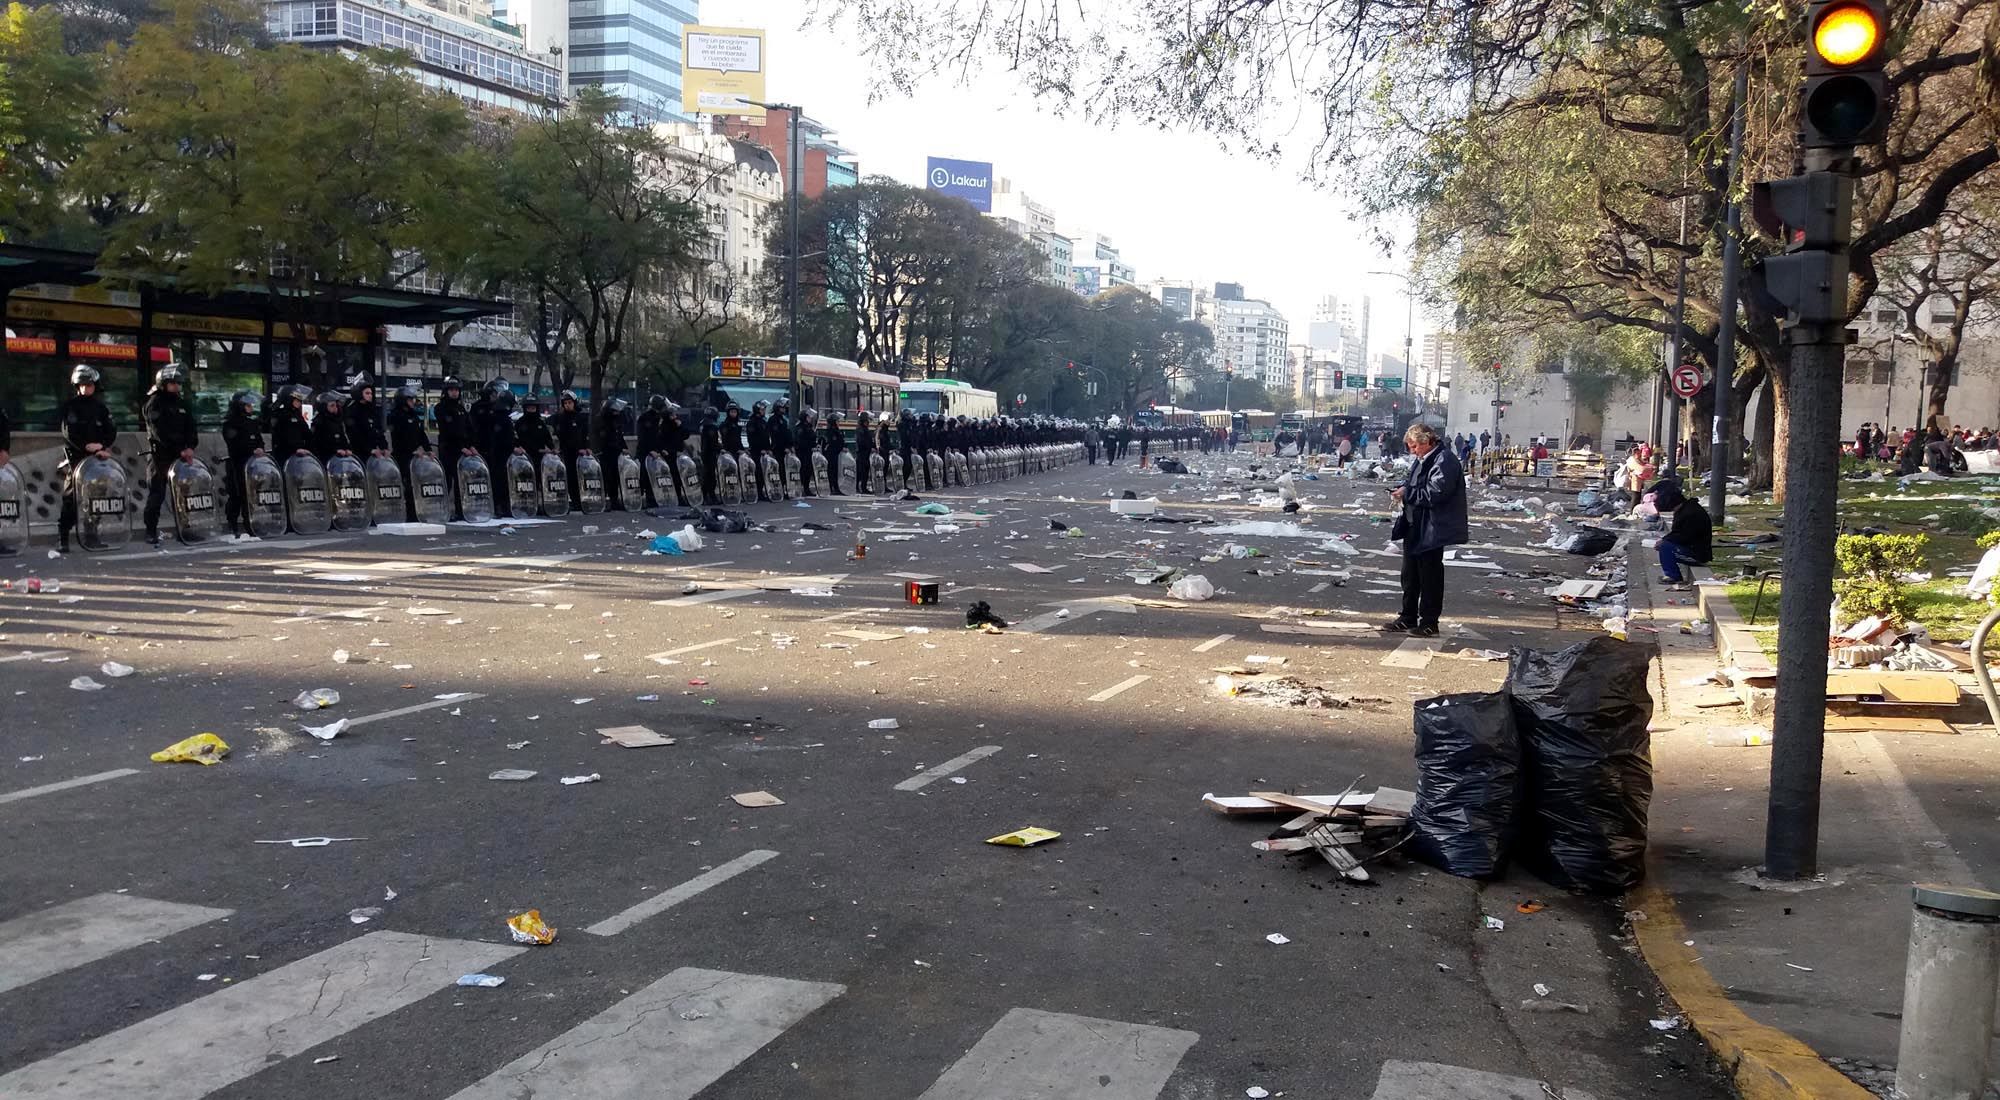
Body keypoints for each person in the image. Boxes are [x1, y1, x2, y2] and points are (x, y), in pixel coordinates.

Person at [1383, 422, 1467, 638]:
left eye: (1414, 446)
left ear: (1427, 441)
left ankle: (1429, 621)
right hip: (1414, 524)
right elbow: (1415, 484)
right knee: (1410, 575)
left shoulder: (1444, 460)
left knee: (1429, 576)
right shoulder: (1424, 459)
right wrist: (1403, 489)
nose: (1412, 451)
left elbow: (1436, 493)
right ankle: (1407, 616)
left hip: (1432, 527)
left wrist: (1407, 494)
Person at [56, 365, 118, 553]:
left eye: (89, 384)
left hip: (98, 459)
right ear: (77, 385)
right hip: (77, 459)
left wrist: (103, 446)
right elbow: (69, 433)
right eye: (82, 384)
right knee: (71, 499)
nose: (86, 388)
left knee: (96, 498)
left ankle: (92, 536)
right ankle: (63, 538)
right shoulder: (71, 406)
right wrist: (85, 446)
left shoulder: (101, 408)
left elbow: (111, 430)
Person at [140, 365, 199, 547]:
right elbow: (159, 432)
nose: (177, 387)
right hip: (161, 456)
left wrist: (190, 447)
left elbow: (191, 428)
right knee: (157, 495)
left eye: (178, 383)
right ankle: (150, 531)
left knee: (184, 495)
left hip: (181, 456)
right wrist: (179, 448)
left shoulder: (182, 403)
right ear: (163, 384)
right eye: (173, 383)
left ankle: (185, 530)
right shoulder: (154, 403)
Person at [219, 392, 266, 537]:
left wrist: (260, 448)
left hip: (252, 464)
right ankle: (233, 524)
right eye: (247, 405)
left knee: (250, 495)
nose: (251, 407)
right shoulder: (230, 424)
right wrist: (252, 449)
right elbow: (234, 444)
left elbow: (259, 440)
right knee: (237, 495)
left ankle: (249, 524)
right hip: (237, 463)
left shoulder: (252, 423)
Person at [1654, 480, 1713, 587]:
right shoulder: (1686, 509)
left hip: (1697, 554)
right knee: (1665, 544)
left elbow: (1684, 536)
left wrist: (1665, 540)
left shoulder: (1690, 513)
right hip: (1691, 547)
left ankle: (1673, 576)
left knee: (1665, 547)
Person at [387, 384, 431, 521]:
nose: (413, 402)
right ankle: (409, 515)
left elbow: (421, 434)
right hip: (403, 455)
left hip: (415, 456)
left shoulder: (414, 416)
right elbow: (399, 438)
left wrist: (428, 449)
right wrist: (412, 450)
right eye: (410, 399)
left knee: (416, 485)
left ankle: (416, 513)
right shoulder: (395, 416)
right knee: (407, 486)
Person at [432, 377, 474, 515]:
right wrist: (460, 446)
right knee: (447, 481)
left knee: (460, 481)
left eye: (456, 390)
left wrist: (470, 445)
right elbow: (448, 430)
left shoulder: (461, 408)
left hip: (463, 450)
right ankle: (442, 510)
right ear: (446, 391)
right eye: (451, 390)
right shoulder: (440, 408)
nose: (454, 393)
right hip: (448, 449)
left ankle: (460, 510)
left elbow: (468, 429)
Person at [552, 390, 590, 504]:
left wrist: (587, 447)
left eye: (570, 402)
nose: (567, 405)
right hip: (567, 452)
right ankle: (574, 500)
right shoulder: (560, 418)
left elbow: (585, 434)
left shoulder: (581, 417)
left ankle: (583, 499)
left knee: (582, 477)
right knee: (570, 476)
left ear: (575, 403)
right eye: (565, 403)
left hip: (581, 452)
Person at [595, 397, 629, 509]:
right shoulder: (601, 421)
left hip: (615, 454)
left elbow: (619, 436)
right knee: (606, 477)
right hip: (605, 453)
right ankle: (604, 501)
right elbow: (604, 439)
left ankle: (614, 500)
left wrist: (624, 447)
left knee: (615, 477)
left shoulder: (615, 421)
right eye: (615, 410)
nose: (617, 412)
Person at [310, 391, 353, 467]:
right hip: (324, 459)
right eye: (332, 405)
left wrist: (347, 448)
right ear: (324, 407)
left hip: (339, 458)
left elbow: (343, 436)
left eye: (336, 405)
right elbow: (318, 442)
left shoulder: (338, 420)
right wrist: (335, 450)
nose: (335, 408)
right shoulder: (319, 421)